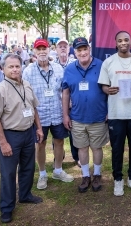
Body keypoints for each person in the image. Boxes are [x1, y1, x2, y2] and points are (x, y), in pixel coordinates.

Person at [0, 53, 44, 223]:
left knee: (28, 167)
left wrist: (39, 128)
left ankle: (25, 195)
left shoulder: (26, 85)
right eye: (10, 66)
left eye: (17, 66)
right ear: (3, 69)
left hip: (28, 133)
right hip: (10, 135)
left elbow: (34, 108)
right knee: (8, 173)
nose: (15, 69)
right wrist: (3, 142)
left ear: (22, 67)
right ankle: (7, 207)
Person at [98, 31, 131, 196]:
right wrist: (108, 90)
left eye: (126, 40)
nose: (123, 43)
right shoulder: (109, 62)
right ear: (116, 42)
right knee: (117, 148)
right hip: (116, 113)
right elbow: (103, 85)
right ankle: (118, 179)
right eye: (120, 40)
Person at [22, 39, 74, 190]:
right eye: (39, 49)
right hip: (40, 116)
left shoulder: (58, 69)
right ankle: (43, 174)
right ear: (34, 51)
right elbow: (26, 96)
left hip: (57, 113)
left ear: (49, 49)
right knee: (40, 144)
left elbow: (64, 92)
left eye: (44, 48)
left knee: (59, 142)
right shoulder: (28, 71)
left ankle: (58, 170)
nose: (42, 51)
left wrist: (67, 112)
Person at [62, 37, 108, 193]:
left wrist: (109, 110)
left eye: (84, 49)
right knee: (82, 148)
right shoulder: (69, 69)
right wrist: (65, 115)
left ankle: (97, 174)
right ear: (74, 53)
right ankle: (85, 175)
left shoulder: (101, 65)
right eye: (79, 50)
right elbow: (66, 93)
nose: (82, 53)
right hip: (77, 117)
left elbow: (108, 89)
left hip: (98, 116)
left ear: (89, 49)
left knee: (96, 148)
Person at [54, 38, 80, 167]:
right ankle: (58, 157)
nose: (63, 48)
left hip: (73, 104)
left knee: (74, 132)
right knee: (57, 134)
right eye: (60, 46)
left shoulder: (76, 63)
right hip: (57, 105)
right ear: (56, 49)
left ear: (69, 49)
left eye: (65, 46)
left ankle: (77, 157)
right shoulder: (52, 65)